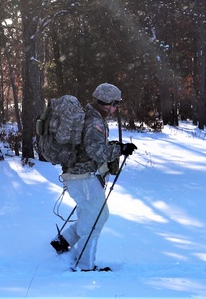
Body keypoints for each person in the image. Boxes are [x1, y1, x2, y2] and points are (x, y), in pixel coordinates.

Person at [56, 83, 137, 271]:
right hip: (83, 178)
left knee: (91, 215)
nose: (116, 108)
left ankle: (61, 244)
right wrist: (120, 149)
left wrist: (115, 148)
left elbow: (90, 147)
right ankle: (85, 266)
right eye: (115, 104)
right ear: (106, 102)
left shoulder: (91, 117)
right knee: (96, 219)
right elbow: (96, 151)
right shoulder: (94, 122)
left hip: (79, 177)